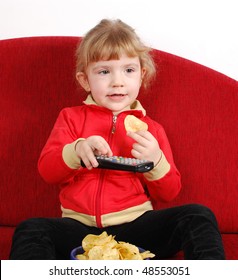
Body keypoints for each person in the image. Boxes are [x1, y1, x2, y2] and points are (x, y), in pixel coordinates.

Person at [9, 19, 225, 260]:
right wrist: (77, 149)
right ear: (84, 80)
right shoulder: (70, 118)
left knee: (198, 215)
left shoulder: (151, 129)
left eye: (128, 70)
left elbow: (170, 192)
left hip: (136, 226)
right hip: (79, 230)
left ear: (141, 76)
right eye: (104, 72)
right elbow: (48, 171)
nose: (117, 82)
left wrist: (156, 160)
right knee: (31, 229)